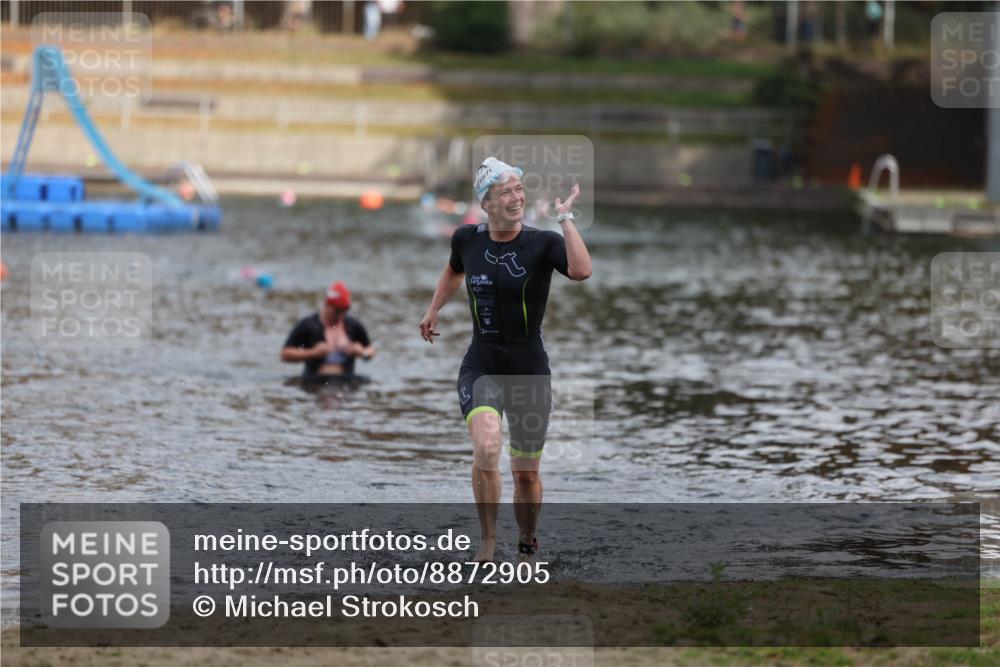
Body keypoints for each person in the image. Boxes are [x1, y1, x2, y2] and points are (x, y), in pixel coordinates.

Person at [419, 157, 592, 562]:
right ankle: (488, 540)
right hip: (481, 363)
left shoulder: (542, 243)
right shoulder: (467, 239)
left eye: (519, 190)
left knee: (526, 474)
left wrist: (565, 219)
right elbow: (453, 272)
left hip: (529, 370)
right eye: (506, 192)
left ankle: (528, 538)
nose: (516, 198)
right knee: (486, 447)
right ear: (487, 204)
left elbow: (582, 271)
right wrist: (433, 310)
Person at [281, 281, 375, 380]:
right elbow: (285, 354)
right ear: (327, 305)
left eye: (344, 310)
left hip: (346, 382)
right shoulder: (308, 325)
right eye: (337, 311)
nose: (341, 315)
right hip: (315, 382)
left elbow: (371, 350)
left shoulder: (353, 325)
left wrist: (362, 353)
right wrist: (313, 353)